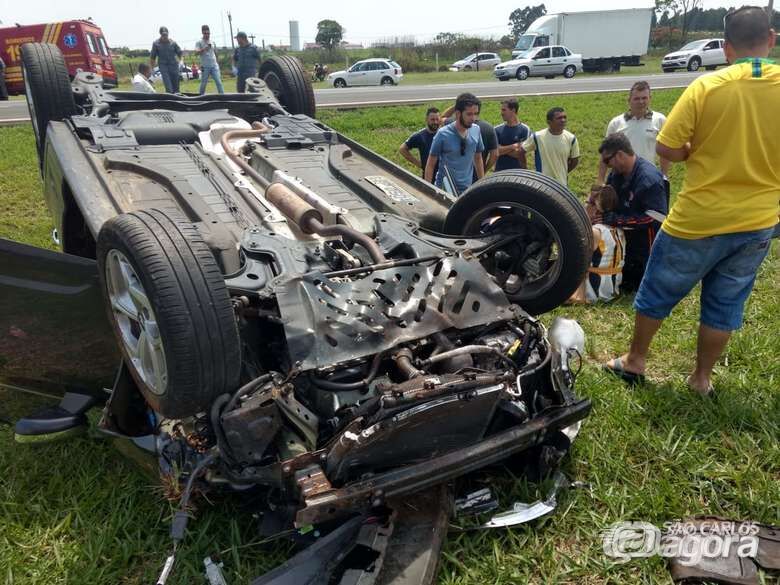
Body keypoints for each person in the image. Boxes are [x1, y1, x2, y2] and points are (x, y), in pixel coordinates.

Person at [604, 6, 779, 396]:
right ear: (770, 38)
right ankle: (701, 379)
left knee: (658, 289)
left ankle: (635, 361)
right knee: (725, 301)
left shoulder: (707, 87)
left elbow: (668, 145)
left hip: (699, 218)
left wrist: (695, 148)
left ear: (727, 47)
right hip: (758, 221)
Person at [596, 133, 668, 292]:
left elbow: (655, 218)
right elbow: (609, 199)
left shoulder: (648, 179)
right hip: (626, 244)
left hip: (646, 249)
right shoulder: (616, 175)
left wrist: (618, 220)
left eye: (608, 161)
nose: (607, 166)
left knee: (640, 285)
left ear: (620, 155)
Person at [598, 81, 670, 186]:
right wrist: (600, 180)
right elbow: (605, 154)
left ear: (650, 98)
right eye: (637, 98)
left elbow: (665, 152)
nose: (641, 102)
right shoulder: (616, 123)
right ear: (629, 100)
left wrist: (664, 176)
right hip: (621, 178)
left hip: (648, 178)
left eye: (644, 98)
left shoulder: (660, 120)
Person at [425, 93, 485, 194]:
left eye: (476, 113)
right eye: (469, 114)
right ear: (458, 114)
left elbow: (478, 158)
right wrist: (428, 190)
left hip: (466, 190)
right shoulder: (443, 134)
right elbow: (430, 164)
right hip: (444, 190)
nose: (473, 118)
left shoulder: (476, 130)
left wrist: (482, 184)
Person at [520, 107, 580, 187]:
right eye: (559, 118)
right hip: (542, 186)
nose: (563, 120)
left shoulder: (571, 138)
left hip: (562, 186)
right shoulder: (538, 137)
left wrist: (563, 172)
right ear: (549, 122)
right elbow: (521, 151)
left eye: (564, 117)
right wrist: (526, 171)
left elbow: (575, 160)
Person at [440, 102, 498, 178]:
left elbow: (442, 118)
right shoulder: (489, 128)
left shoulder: (453, 123)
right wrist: (484, 170)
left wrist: (457, 105)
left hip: (456, 175)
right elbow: (495, 155)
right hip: (477, 175)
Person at [399, 107, 441, 181]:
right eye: (432, 120)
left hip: (444, 176)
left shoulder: (444, 134)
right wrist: (419, 164)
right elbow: (402, 149)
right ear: (426, 120)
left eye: (437, 119)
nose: (435, 122)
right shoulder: (420, 136)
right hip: (429, 178)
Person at [494, 98, 530, 171]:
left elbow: (519, 153)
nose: (501, 113)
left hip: (518, 173)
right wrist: (514, 146)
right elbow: (496, 152)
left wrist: (503, 149)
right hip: (500, 173)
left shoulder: (525, 129)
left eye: (504, 110)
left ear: (513, 110)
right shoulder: (496, 129)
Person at [150, 26, 182, 94]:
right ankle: (170, 102)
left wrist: (181, 61)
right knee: (169, 88)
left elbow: (180, 53)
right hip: (164, 67)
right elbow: (153, 57)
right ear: (160, 35)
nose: (165, 36)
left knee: (176, 88)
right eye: (163, 35)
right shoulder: (156, 44)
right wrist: (152, 69)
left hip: (174, 66)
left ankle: (177, 102)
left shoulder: (173, 43)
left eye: (166, 34)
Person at [195, 25, 224, 95]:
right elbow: (196, 53)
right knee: (204, 83)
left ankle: (223, 97)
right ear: (202, 33)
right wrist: (205, 49)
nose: (207, 35)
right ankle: (200, 97)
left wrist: (218, 63)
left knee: (219, 82)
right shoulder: (199, 42)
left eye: (208, 33)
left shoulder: (212, 42)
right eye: (205, 33)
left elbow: (216, 52)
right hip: (205, 67)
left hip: (214, 66)